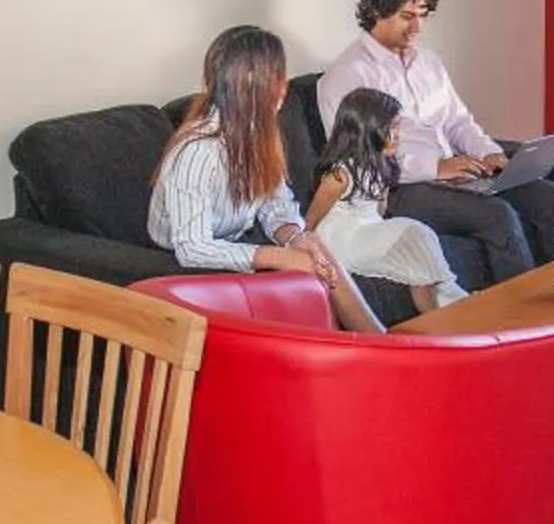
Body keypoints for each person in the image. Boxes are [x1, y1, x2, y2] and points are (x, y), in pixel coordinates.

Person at [315, 0, 554, 284]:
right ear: (376, 12)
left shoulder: (428, 62)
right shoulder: (346, 75)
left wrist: (490, 155)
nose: (417, 28)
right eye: (407, 16)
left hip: (457, 175)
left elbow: (458, 120)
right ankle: (525, 324)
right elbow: (358, 158)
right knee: (497, 216)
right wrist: (436, 167)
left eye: (422, 15)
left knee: (553, 198)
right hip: (402, 187)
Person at [149, 25, 382, 332]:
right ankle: (372, 346)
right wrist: (278, 257)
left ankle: (375, 341)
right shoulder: (198, 150)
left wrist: (294, 238)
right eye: (278, 77)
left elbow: (275, 205)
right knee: (303, 273)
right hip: (178, 258)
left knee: (311, 246)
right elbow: (193, 247)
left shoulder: (258, 134)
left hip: (231, 240)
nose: (284, 85)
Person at [306, 88, 468, 315]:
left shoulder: (382, 165)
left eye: (397, 126)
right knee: (415, 232)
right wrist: (309, 253)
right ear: (366, 129)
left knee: (418, 255)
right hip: (342, 241)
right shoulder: (340, 174)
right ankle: (444, 314)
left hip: (370, 230)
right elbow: (310, 220)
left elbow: (379, 212)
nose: (398, 134)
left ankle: (450, 310)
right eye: (390, 128)